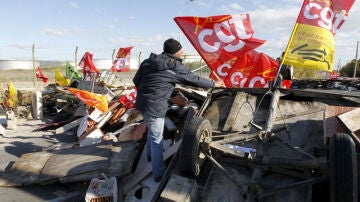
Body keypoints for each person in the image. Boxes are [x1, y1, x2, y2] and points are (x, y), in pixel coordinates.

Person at [133, 38, 225, 182]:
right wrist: (214, 83)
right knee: (157, 138)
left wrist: (150, 90)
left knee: (152, 131)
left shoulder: (147, 62)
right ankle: (158, 174)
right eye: (180, 50)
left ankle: (150, 155)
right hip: (155, 105)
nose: (182, 52)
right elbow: (193, 79)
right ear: (175, 52)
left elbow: (136, 80)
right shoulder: (173, 66)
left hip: (142, 103)